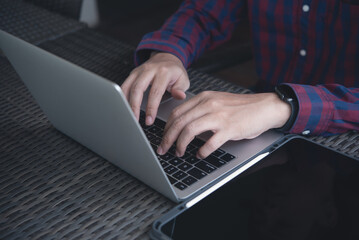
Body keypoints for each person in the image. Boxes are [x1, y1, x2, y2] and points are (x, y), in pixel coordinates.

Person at [121, 0, 359, 159]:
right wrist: (168, 53)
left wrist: (284, 105)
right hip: (254, 121)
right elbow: (205, 13)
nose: (267, 211)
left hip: (341, 143)